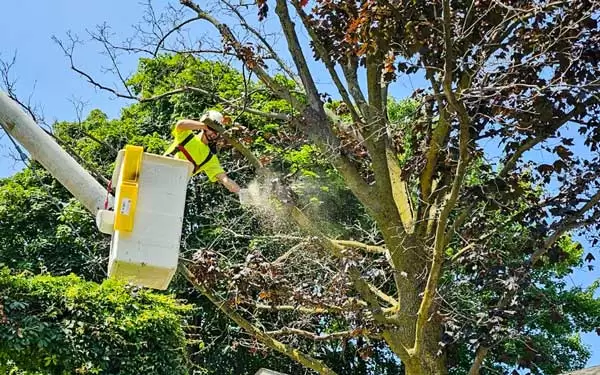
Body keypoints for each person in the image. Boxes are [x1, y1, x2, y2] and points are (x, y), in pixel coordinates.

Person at [164, 110, 241, 193]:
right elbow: (180, 124)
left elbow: (225, 179)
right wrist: (206, 126)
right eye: (212, 129)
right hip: (160, 169)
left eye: (216, 131)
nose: (213, 134)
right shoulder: (186, 136)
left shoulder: (210, 158)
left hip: (175, 186)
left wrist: (240, 191)